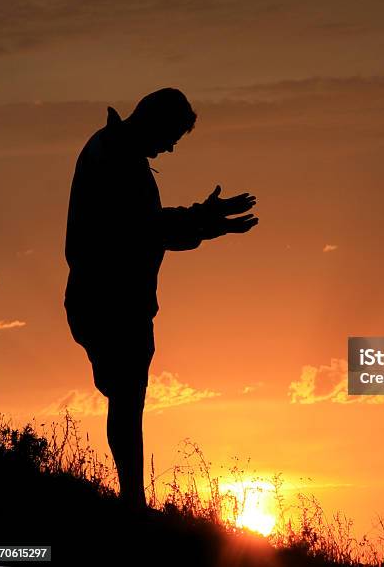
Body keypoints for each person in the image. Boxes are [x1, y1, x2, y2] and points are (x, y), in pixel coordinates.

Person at [64, 88, 258, 510]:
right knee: (128, 396)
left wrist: (203, 218)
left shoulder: (112, 151)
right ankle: (132, 503)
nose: (170, 148)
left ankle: (132, 499)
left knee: (126, 394)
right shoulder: (116, 158)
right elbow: (142, 229)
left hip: (106, 298)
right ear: (153, 121)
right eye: (171, 136)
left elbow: (145, 224)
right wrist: (207, 221)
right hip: (111, 300)